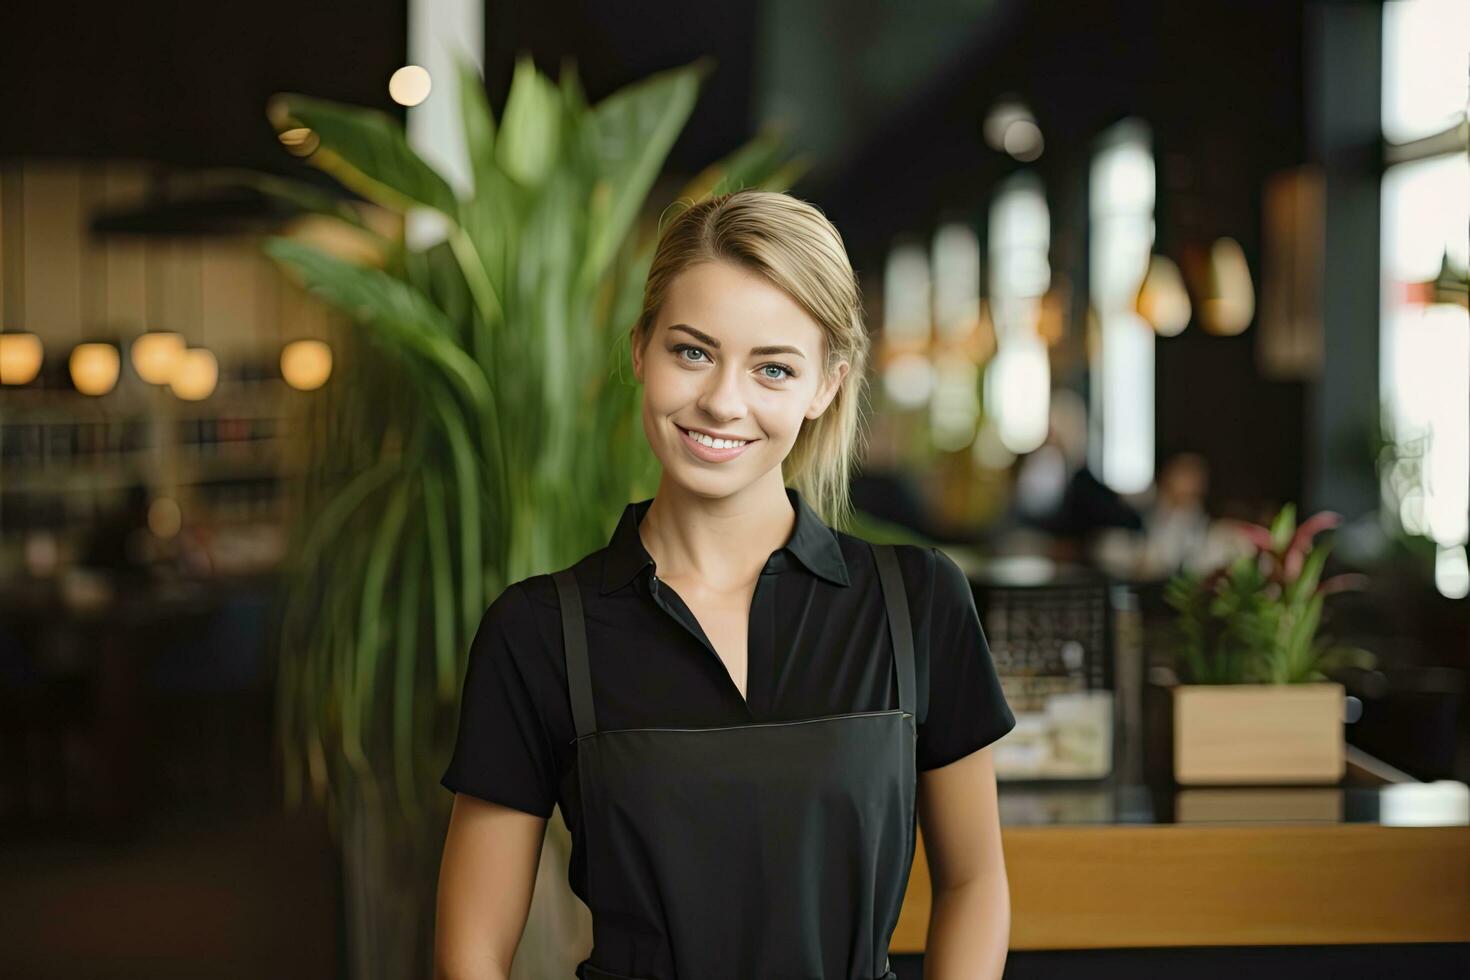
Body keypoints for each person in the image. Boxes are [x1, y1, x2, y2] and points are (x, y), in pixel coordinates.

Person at [434, 189, 1017, 980]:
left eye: (773, 367)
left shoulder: (916, 602)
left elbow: (975, 881)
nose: (722, 401)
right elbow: (470, 953)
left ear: (825, 387)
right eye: (692, 351)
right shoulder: (540, 631)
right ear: (640, 350)